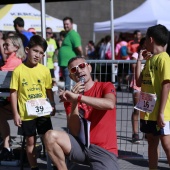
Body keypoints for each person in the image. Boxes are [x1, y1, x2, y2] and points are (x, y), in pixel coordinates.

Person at [44, 56, 119, 170]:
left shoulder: (105, 86)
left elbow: (109, 104)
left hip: (104, 150)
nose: (79, 70)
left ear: (89, 68)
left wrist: (79, 97)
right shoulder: (71, 98)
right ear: (71, 76)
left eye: (82, 66)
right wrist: (74, 102)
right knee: (50, 136)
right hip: (81, 147)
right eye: (74, 70)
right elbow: (74, 130)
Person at [10, 35, 56, 170]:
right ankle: (34, 167)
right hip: (26, 114)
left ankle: (54, 164)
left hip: (43, 112)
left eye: (41, 53)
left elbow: (48, 90)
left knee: (49, 140)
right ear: (27, 50)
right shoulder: (18, 71)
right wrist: (15, 114)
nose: (38, 55)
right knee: (30, 142)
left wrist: (52, 104)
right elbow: (14, 93)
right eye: (35, 51)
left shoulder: (45, 70)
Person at [136, 24, 170, 169]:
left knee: (167, 144)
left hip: (162, 113)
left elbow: (166, 85)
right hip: (148, 111)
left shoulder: (164, 58)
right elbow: (138, 81)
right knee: (151, 141)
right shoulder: (150, 59)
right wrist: (139, 60)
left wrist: (161, 112)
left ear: (150, 39)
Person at [0, 35, 26, 160]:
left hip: (17, 104)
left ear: (16, 47)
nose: (4, 46)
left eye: (7, 44)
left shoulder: (14, 61)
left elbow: (2, 75)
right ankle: (6, 146)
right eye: (4, 44)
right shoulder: (13, 59)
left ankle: (6, 146)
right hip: (13, 102)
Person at [58, 17, 83, 90]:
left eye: (67, 24)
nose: (65, 26)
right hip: (65, 64)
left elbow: (79, 48)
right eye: (64, 24)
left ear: (72, 24)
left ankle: (69, 100)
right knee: (67, 84)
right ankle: (68, 99)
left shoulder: (73, 34)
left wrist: (81, 59)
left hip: (69, 64)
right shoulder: (67, 34)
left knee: (69, 85)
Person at [130, 37, 145, 144]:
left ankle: (146, 131)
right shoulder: (136, 55)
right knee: (137, 109)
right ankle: (135, 133)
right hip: (137, 84)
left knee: (147, 109)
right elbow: (134, 67)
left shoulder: (152, 56)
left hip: (148, 85)